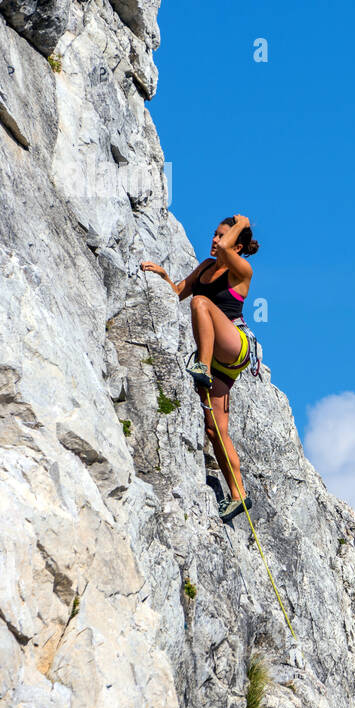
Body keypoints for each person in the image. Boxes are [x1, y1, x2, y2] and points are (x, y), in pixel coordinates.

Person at [140, 214, 258, 522]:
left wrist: (239, 225)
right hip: (220, 359)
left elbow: (196, 301)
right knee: (215, 430)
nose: (216, 240)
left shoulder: (242, 270)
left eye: (223, 236)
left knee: (201, 304)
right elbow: (178, 292)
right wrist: (164, 276)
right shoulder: (207, 267)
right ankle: (238, 495)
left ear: (237, 244)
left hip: (235, 344)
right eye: (215, 234)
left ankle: (201, 365)